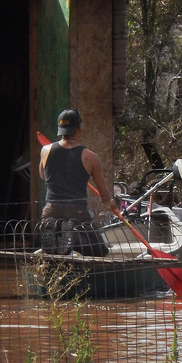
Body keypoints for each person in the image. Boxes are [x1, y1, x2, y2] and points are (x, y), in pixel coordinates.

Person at [39, 109, 117, 256]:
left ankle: (64, 241)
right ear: (79, 128)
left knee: (54, 254)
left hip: (51, 211)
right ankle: (73, 238)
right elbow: (104, 195)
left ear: (60, 130)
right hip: (77, 212)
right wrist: (111, 203)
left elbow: (43, 175)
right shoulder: (90, 157)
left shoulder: (45, 150)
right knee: (99, 251)